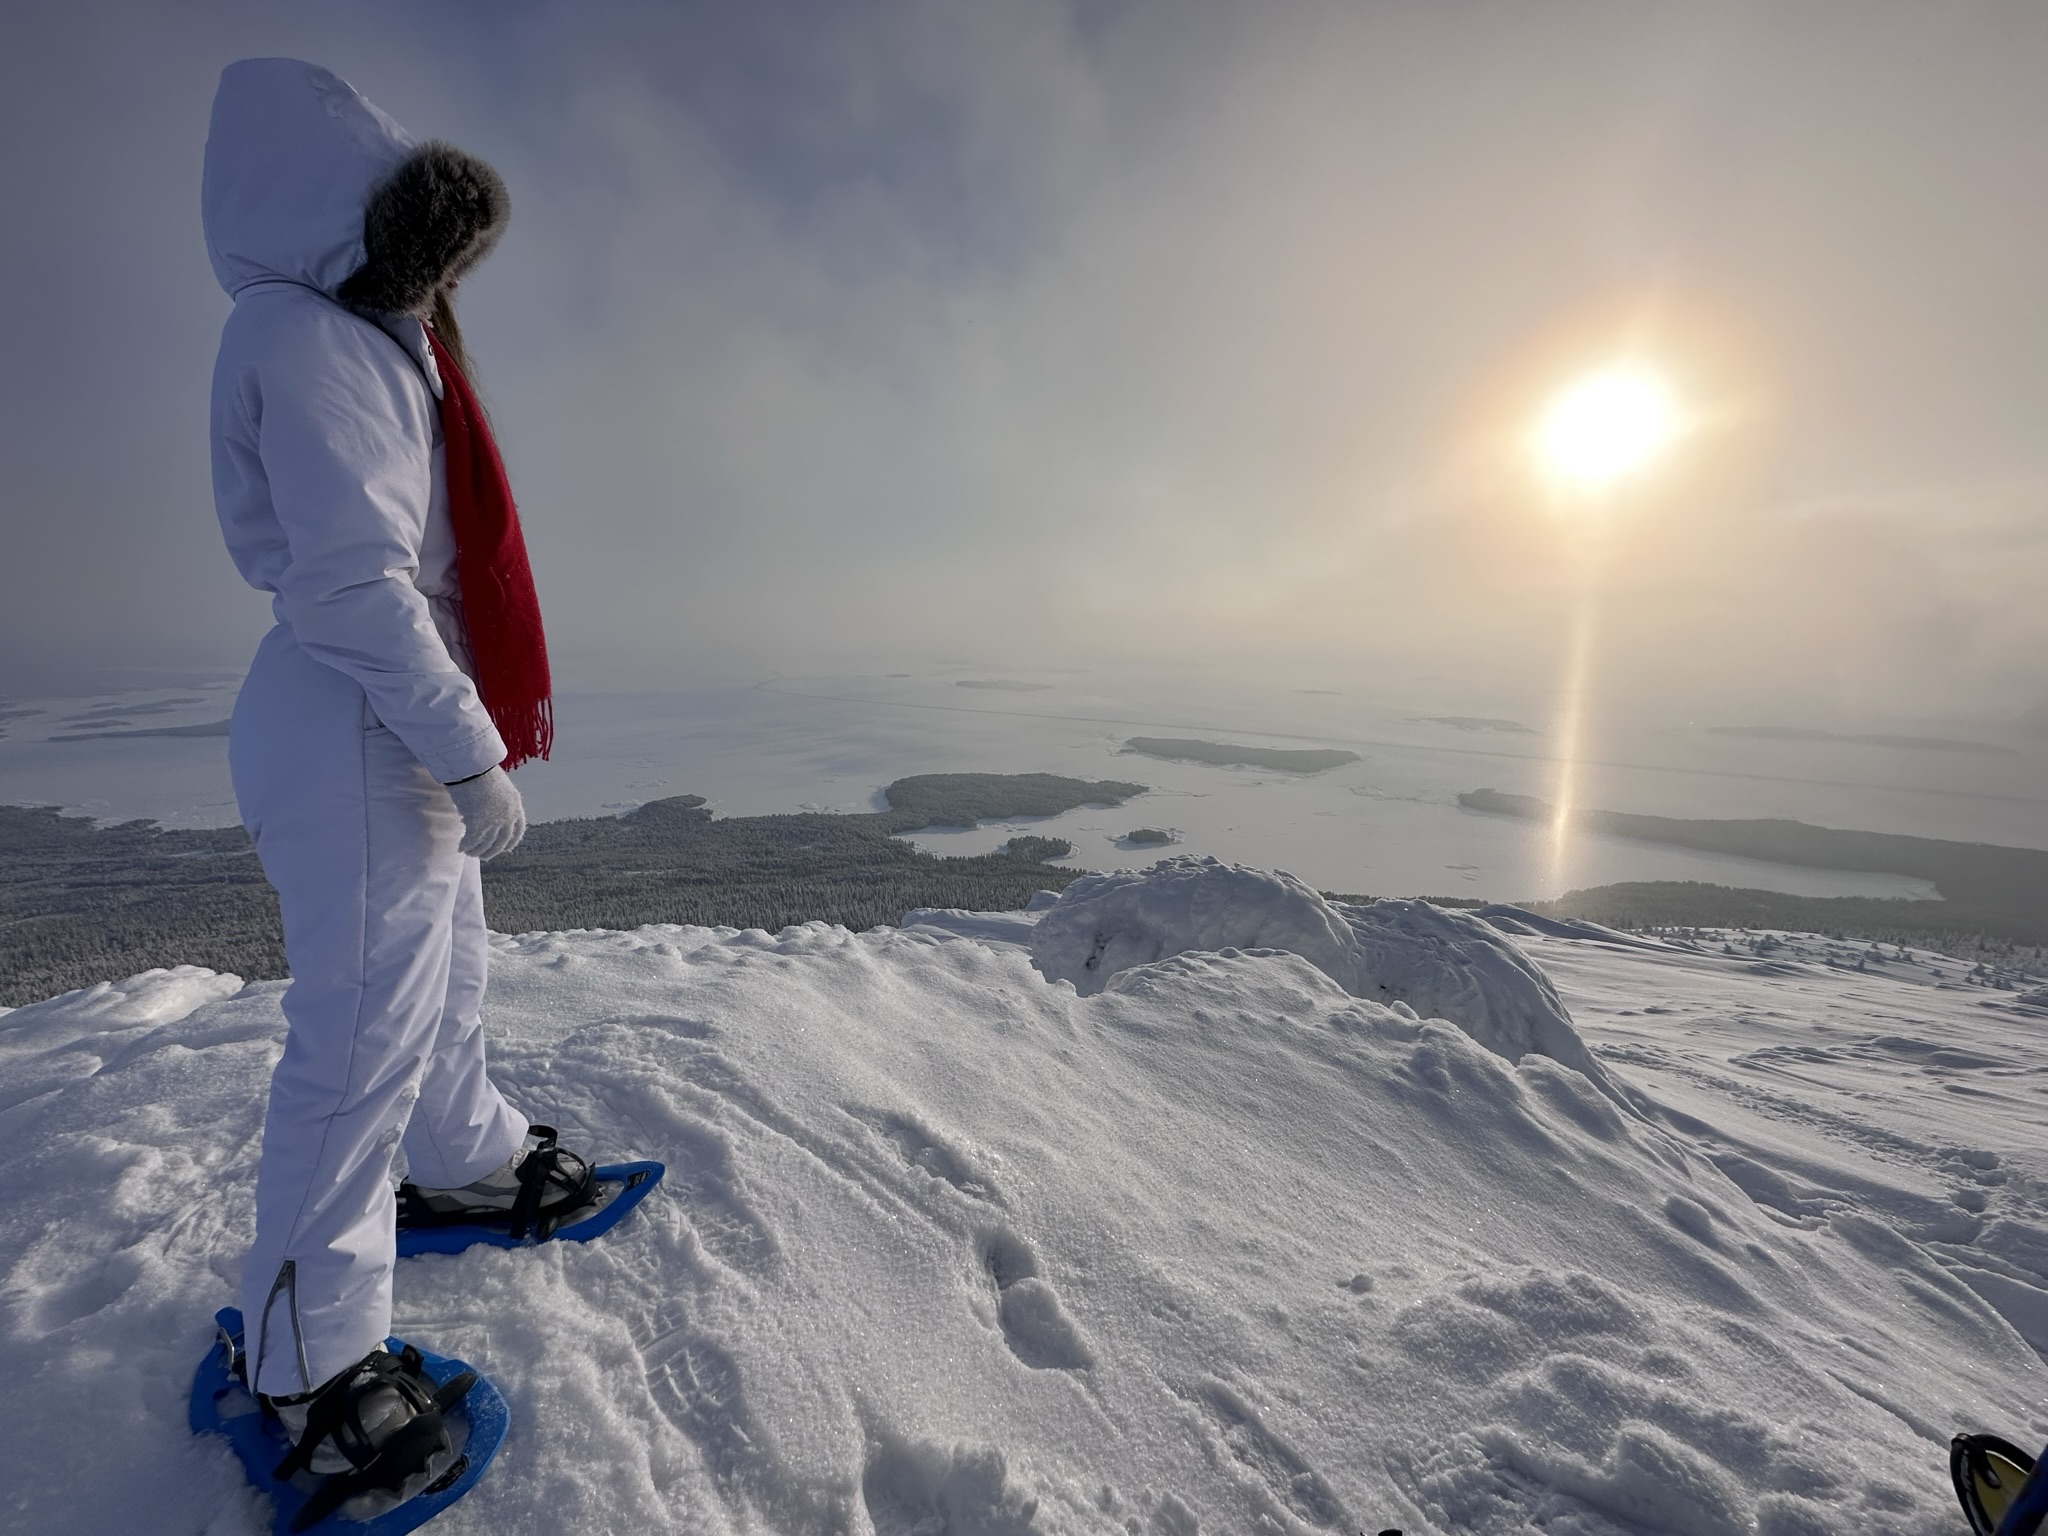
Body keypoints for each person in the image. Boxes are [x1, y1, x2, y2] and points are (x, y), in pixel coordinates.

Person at [202, 57, 586, 1511]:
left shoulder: (375, 341)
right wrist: (469, 747)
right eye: (418, 246)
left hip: (381, 716)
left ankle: (463, 1154)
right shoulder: (305, 336)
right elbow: (356, 587)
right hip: (360, 718)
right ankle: (306, 1369)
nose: (438, 282)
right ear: (338, 214)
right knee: (359, 1038)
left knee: (444, 981)